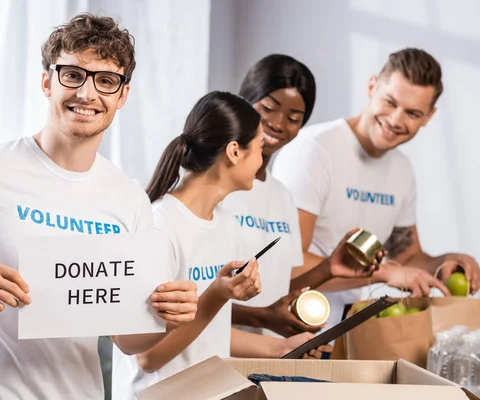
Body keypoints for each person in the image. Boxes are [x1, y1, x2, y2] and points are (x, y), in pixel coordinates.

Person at [0, 14, 198, 400]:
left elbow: (128, 340)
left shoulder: (129, 199)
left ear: (122, 96)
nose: (87, 93)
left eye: (106, 80)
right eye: (73, 75)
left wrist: (167, 316)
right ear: (47, 81)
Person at [112, 91, 316, 400]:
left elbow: (209, 332)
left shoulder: (224, 223)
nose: (262, 160)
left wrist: (281, 348)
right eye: (259, 147)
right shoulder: (159, 226)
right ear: (235, 152)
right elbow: (148, 358)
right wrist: (217, 295)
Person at [272, 48, 480, 328]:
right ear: (372, 86)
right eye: (390, 102)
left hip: (345, 333)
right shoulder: (314, 151)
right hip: (285, 330)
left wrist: (444, 265)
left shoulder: (402, 170)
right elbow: (287, 263)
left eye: (412, 113)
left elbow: (407, 257)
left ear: (429, 117)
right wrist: (382, 273)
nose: (395, 120)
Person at [223, 54, 384, 338]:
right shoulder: (215, 186)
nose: (278, 124)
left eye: (294, 118)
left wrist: (328, 268)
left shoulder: (282, 197)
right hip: (212, 359)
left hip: (268, 359)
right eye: (268, 109)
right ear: (243, 103)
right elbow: (192, 295)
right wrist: (262, 318)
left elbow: (279, 285)